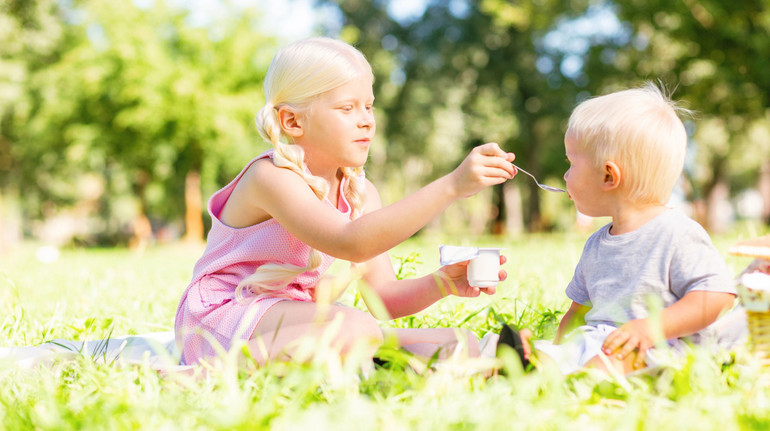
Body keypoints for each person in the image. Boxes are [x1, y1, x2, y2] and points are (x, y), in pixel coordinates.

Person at [174, 37, 517, 367]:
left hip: (287, 318)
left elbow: (383, 298)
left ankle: (362, 366)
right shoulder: (270, 177)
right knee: (355, 328)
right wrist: (451, 187)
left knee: (458, 344)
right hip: (219, 320)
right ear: (292, 121)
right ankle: (199, 376)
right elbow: (349, 242)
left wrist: (443, 282)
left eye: (368, 106)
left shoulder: (358, 191)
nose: (366, 119)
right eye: (347, 108)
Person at [511, 83, 740, 375]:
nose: (566, 175)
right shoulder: (596, 244)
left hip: (660, 348)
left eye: (571, 163)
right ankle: (545, 365)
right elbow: (578, 312)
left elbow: (717, 297)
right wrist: (560, 347)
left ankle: (575, 377)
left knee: (617, 361)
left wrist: (651, 328)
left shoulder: (677, 233)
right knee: (563, 352)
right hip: (600, 342)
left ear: (608, 175)